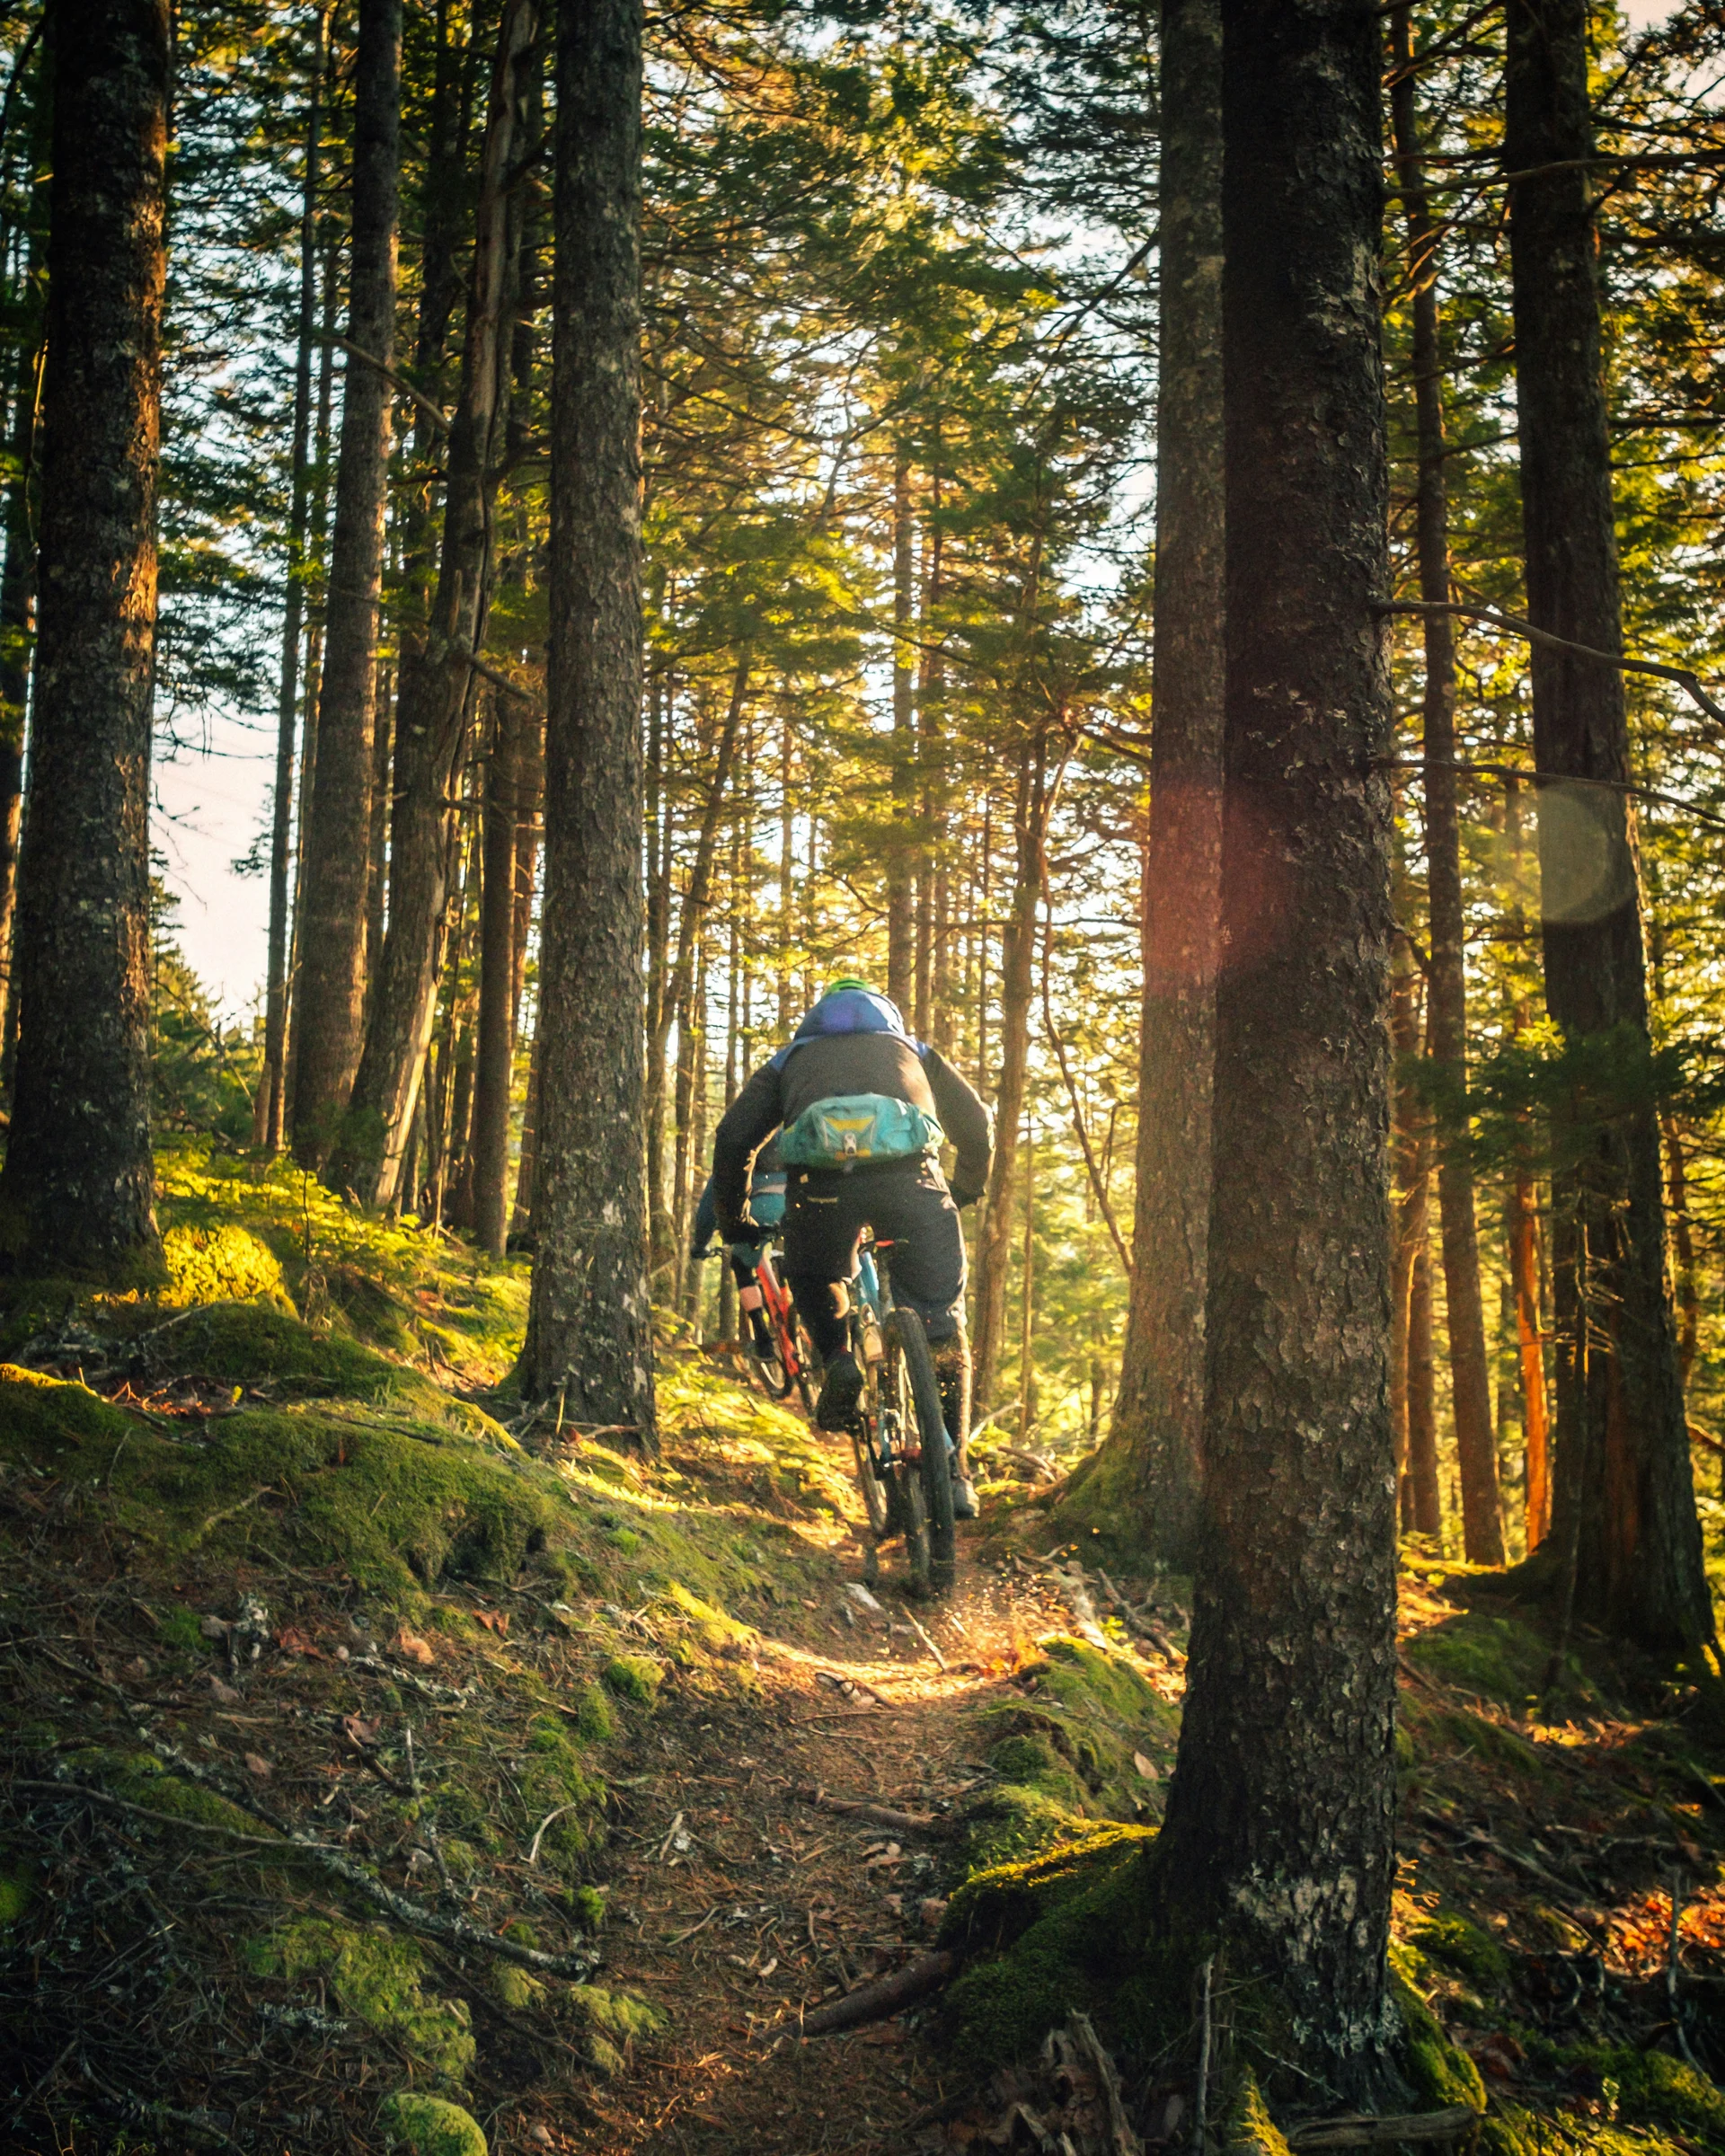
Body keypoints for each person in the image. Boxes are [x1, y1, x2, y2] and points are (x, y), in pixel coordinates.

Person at [710, 977, 992, 1519]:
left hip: (821, 1190)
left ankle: (838, 1359)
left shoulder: (791, 1059)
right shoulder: (914, 1051)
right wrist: (965, 1189)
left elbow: (732, 1138)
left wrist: (737, 1223)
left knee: (814, 1274)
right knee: (943, 1328)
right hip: (912, 1184)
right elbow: (975, 1122)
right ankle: (954, 1473)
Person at [691, 1135, 788, 1363]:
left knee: (741, 1264)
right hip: (795, 1203)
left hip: (759, 1210)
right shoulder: (787, 1131)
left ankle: (763, 1339)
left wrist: (700, 1244)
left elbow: (708, 1207)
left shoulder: (737, 1143)